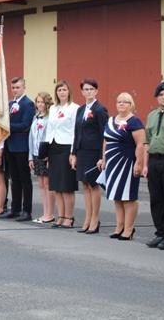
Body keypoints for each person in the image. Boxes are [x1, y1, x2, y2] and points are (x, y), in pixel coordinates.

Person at [99, 92, 145, 241]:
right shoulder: (111, 120)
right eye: (119, 102)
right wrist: (104, 159)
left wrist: (139, 163)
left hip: (127, 163)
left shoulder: (135, 122)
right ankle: (119, 226)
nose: (121, 104)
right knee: (117, 197)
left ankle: (129, 228)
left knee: (128, 197)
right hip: (112, 163)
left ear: (131, 104)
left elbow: (140, 144)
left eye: (125, 102)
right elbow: (106, 141)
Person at [71, 79, 108, 234]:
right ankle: (87, 217)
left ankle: (95, 219)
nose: (88, 92)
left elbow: (104, 135)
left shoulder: (100, 110)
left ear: (96, 91)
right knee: (85, 185)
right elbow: (76, 132)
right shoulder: (80, 110)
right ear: (82, 92)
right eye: (85, 89)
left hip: (94, 153)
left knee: (93, 185)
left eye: (91, 89)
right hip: (82, 151)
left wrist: (102, 156)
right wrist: (73, 153)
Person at [44, 80, 79, 229]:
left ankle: (69, 217)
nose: (62, 93)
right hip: (53, 147)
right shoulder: (53, 108)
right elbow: (49, 129)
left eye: (64, 90)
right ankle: (61, 215)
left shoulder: (74, 108)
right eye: (59, 90)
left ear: (69, 91)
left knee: (67, 185)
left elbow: (75, 131)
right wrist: (45, 151)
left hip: (66, 147)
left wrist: (73, 152)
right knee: (56, 185)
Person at [143, 81, 164, 250]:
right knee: (156, 199)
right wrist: (146, 165)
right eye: (161, 95)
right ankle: (160, 232)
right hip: (154, 161)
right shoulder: (152, 115)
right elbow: (147, 141)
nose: (163, 97)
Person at [4, 77, 35, 221]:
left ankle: (26, 210)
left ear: (24, 87)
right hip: (10, 145)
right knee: (13, 178)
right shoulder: (10, 104)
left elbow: (26, 124)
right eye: (13, 87)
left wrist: (8, 127)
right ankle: (15, 208)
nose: (15, 90)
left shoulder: (28, 104)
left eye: (17, 87)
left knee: (25, 179)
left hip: (22, 145)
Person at [29, 92, 54, 223]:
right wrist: (30, 157)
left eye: (42, 102)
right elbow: (31, 137)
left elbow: (50, 137)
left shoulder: (50, 118)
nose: (40, 104)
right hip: (36, 153)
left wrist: (49, 155)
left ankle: (50, 214)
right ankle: (45, 212)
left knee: (48, 184)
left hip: (45, 155)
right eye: (38, 102)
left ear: (47, 104)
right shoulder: (35, 117)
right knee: (41, 184)